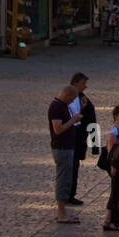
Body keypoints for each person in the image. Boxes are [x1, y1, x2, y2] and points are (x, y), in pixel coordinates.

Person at [48, 85, 83, 224]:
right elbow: (58, 129)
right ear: (67, 95)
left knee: (66, 179)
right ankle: (61, 214)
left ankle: (63, 213)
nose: (72, 101)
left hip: (67, 147)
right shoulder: (56, 106)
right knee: (63, 180)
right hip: (61, 148)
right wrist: (73, 121)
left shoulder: (62, 105)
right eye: (72, 98)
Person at [68, 70, 96, 206]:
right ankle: (68, 194)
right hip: (73, 139)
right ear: (75, 83)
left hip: (79, 139)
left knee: (74, 166)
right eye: (83, 83)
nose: (85, 86)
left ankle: (70, 193)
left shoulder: (81, 97)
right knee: (71, 167)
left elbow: (91, 120)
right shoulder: (72, 99)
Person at [102, 105, 119, 232]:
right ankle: (108, 220)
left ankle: (114, 219)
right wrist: (113, 166)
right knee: (115, 192)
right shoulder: (114, 131)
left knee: (117, 192)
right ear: (116, 116)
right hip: (115, 165)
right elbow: (111, 150)